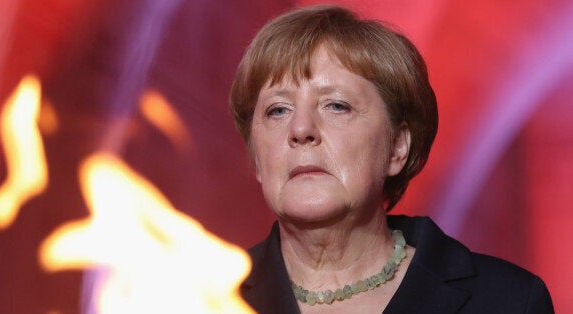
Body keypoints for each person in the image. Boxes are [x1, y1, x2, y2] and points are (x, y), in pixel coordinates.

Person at [229, 5, 554, 314]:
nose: (300, 129)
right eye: (278, 110)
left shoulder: (508, 301)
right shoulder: (199, 295)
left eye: (336, 106)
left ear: (397, 148)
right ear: (256, 156)